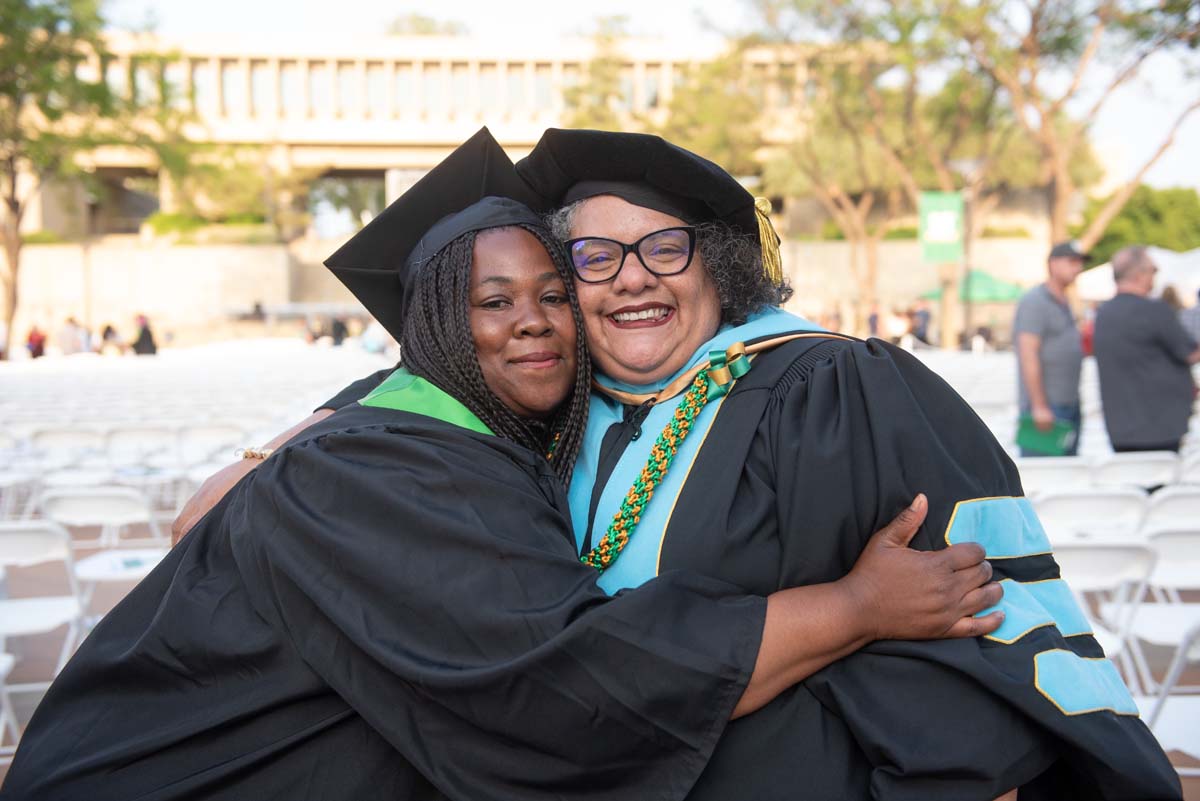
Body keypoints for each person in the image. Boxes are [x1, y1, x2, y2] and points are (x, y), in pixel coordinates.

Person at [176, 129, 1180, 800]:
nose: (632, 279)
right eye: (590, 259)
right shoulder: (521, 410)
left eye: (665, 248)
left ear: (721, 264)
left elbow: (978, 628)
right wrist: (317, 420)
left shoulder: (838, 388)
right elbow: (206, 519)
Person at [1, 131, 1002, 801]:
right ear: (435, 328)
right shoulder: (384, 471)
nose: (534, 319)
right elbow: (573, 685)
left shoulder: (434, 442)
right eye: (491, 302)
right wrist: (857, 608)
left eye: (551, 293)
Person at [1094, 245, 1200, 453]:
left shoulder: (1103, 313)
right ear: (1139, 273)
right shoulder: (1155, 310)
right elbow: (1190, 354)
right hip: (1160, 424)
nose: (1154, 276)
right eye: (1153, 270)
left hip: (1120, 425)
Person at [1013, 240, 1087, 456]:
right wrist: (1038, 405)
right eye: (1072, 262)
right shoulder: (1035, 301)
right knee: (1047, 473)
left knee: (1068, 473)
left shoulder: (1064, 300)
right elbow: (1028, 353)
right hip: (1046, 408)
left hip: (1067, 402)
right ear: (1053, 264)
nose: (1078, 268)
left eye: (1079, 262)